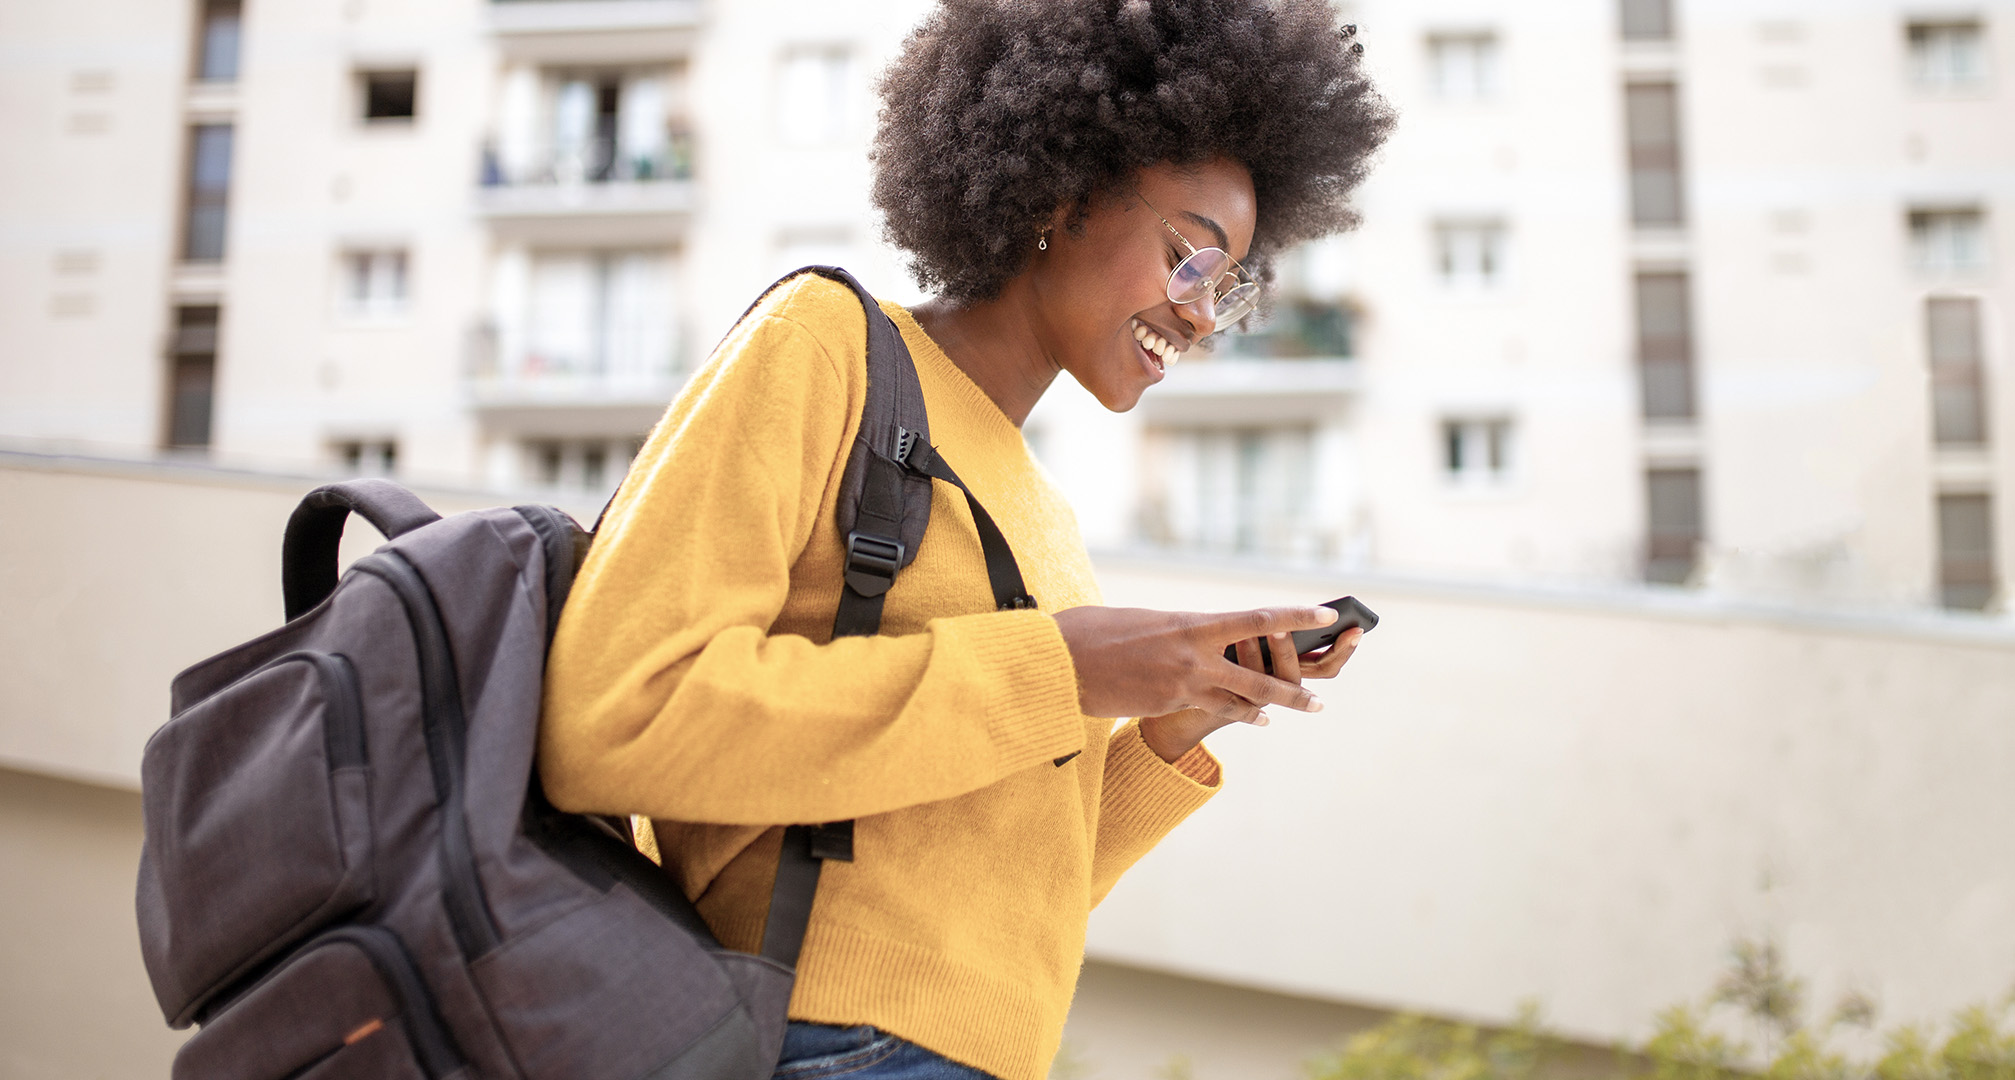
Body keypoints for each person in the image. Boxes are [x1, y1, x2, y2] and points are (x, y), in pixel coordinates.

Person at [538, 1, 1394, 1077]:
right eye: (1188, 260)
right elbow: (612, 721)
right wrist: (1057, 667)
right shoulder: (823, 347)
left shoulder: (1045, 520)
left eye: (1228, 291)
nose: (1200, 316)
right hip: (822, 1037)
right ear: (1059, 194)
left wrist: (1170, 732)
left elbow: (998, 894)